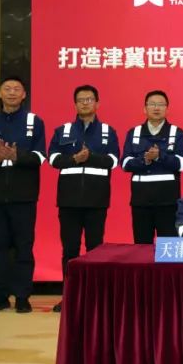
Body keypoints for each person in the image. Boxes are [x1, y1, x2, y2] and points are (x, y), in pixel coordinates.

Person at [0, 76, 46, 315]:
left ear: (24, 94)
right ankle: (0, 295)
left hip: (24, 195)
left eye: (17, 89)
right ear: (0, 93)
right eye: (7, 88)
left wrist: (17, 157)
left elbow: (40, 156)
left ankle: (23, 296)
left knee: (24, 246)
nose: (12, 92)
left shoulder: (34, 122)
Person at [47, 85, 120, 313]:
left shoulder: (108, 131)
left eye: (89, 99)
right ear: (75, 104)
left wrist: (91, 157)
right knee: (69, 250)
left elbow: (114, 161)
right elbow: (53, 159)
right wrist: (74, 159)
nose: (85, 103)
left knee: (95, 249)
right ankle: (69, 296)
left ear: (97, 103)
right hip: (68, 200)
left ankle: (95, 297)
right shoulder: (63, 131)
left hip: (96, 200)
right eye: (81, 100)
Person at [122, 90, 183, 243]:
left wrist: (159, 156)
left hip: (168, 202)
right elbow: (124, 164)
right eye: (152, 104)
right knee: (141, 247)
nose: (156, 108)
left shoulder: (177, 133)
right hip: (141, 201)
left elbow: (181, 164)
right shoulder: (134, 133)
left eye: (161, 104)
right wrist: (144, 160)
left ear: (167, 109)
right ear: (145, 109)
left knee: (169, 246)